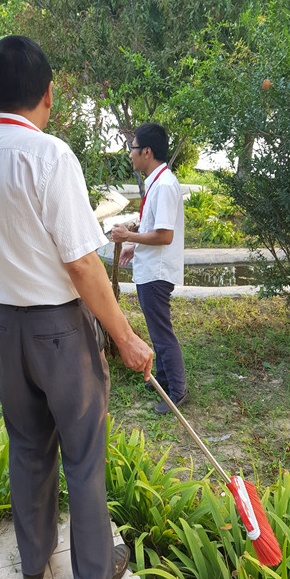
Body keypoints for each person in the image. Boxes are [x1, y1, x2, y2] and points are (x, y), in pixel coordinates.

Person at [0, 36, 153, 579]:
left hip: (2, 326)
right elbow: (83, 264)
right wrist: (126, 338)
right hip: (59, 330)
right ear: (48, 94)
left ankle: (35, 562)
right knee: (83, 450)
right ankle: (91, 576)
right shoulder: (50, 156)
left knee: (27, 446)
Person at [111, 123, 188, 415]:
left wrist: (128, 236)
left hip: (157, 273)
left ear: (146, 151)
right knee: (157, 332)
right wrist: (135, 246)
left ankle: (177, 391)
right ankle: (166, 380)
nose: (129, 154)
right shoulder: (157, 181)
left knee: (161, 332)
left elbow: (165, 236)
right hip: (150, 268)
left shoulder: (165, 184)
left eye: (132, 148)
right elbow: (155, 229)